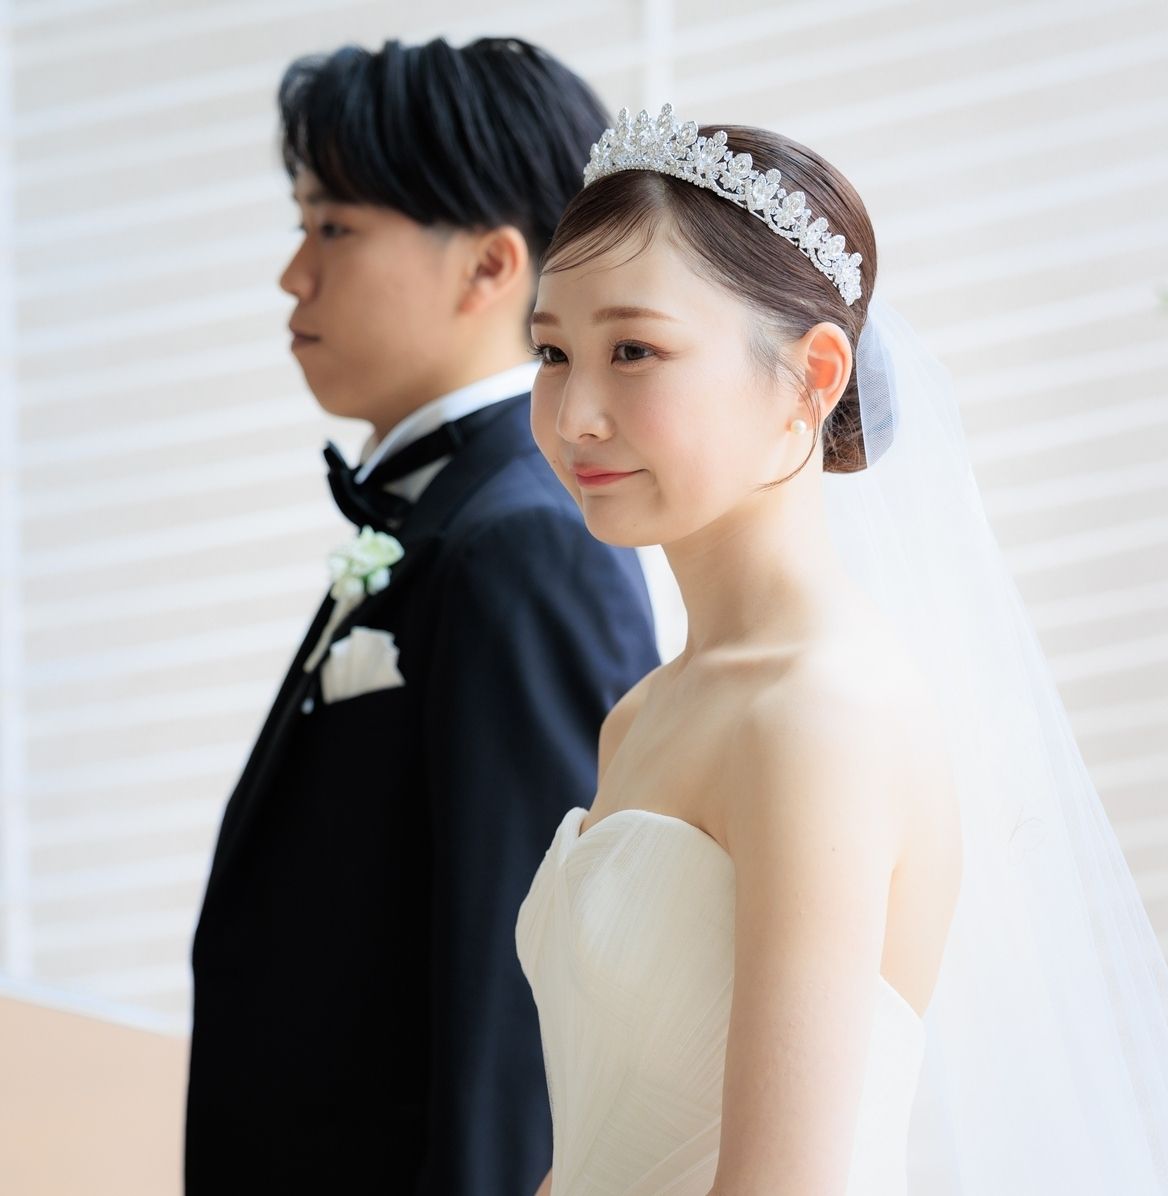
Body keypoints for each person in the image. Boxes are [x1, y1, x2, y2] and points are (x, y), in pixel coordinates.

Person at [514, 105, 1168, 1194]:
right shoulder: (642, 714)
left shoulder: (820, 714)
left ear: (812, 375)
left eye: (633, 350)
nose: (574, 414)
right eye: (553, 352)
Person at [185, 42, 659, 1195]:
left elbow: (530, 1007)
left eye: (332, 226)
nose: (292, 274)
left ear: (489, 264)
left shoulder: (520, 541)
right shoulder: (449, 515)